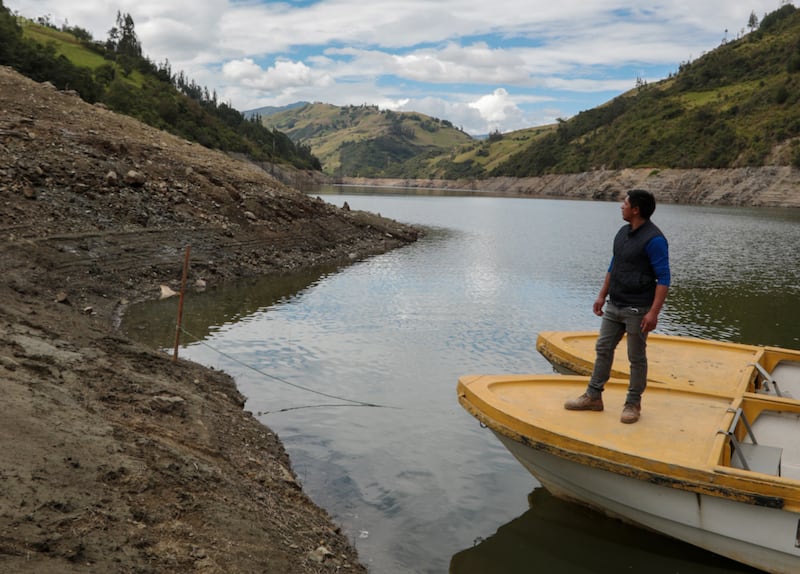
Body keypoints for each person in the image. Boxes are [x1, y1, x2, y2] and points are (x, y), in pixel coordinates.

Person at [564, 189, 670, 424]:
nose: (621, 206)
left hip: (638, 309)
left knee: (636, 357)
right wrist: (602, 296)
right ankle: (593, 396)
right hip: (615, 304)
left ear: (636, 209)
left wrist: (653, 312)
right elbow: (614, 266)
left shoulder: (655, 240)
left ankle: (633, 404)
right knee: (603, 348)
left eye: (625, 203)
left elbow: (664, 278)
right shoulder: (622, 233)